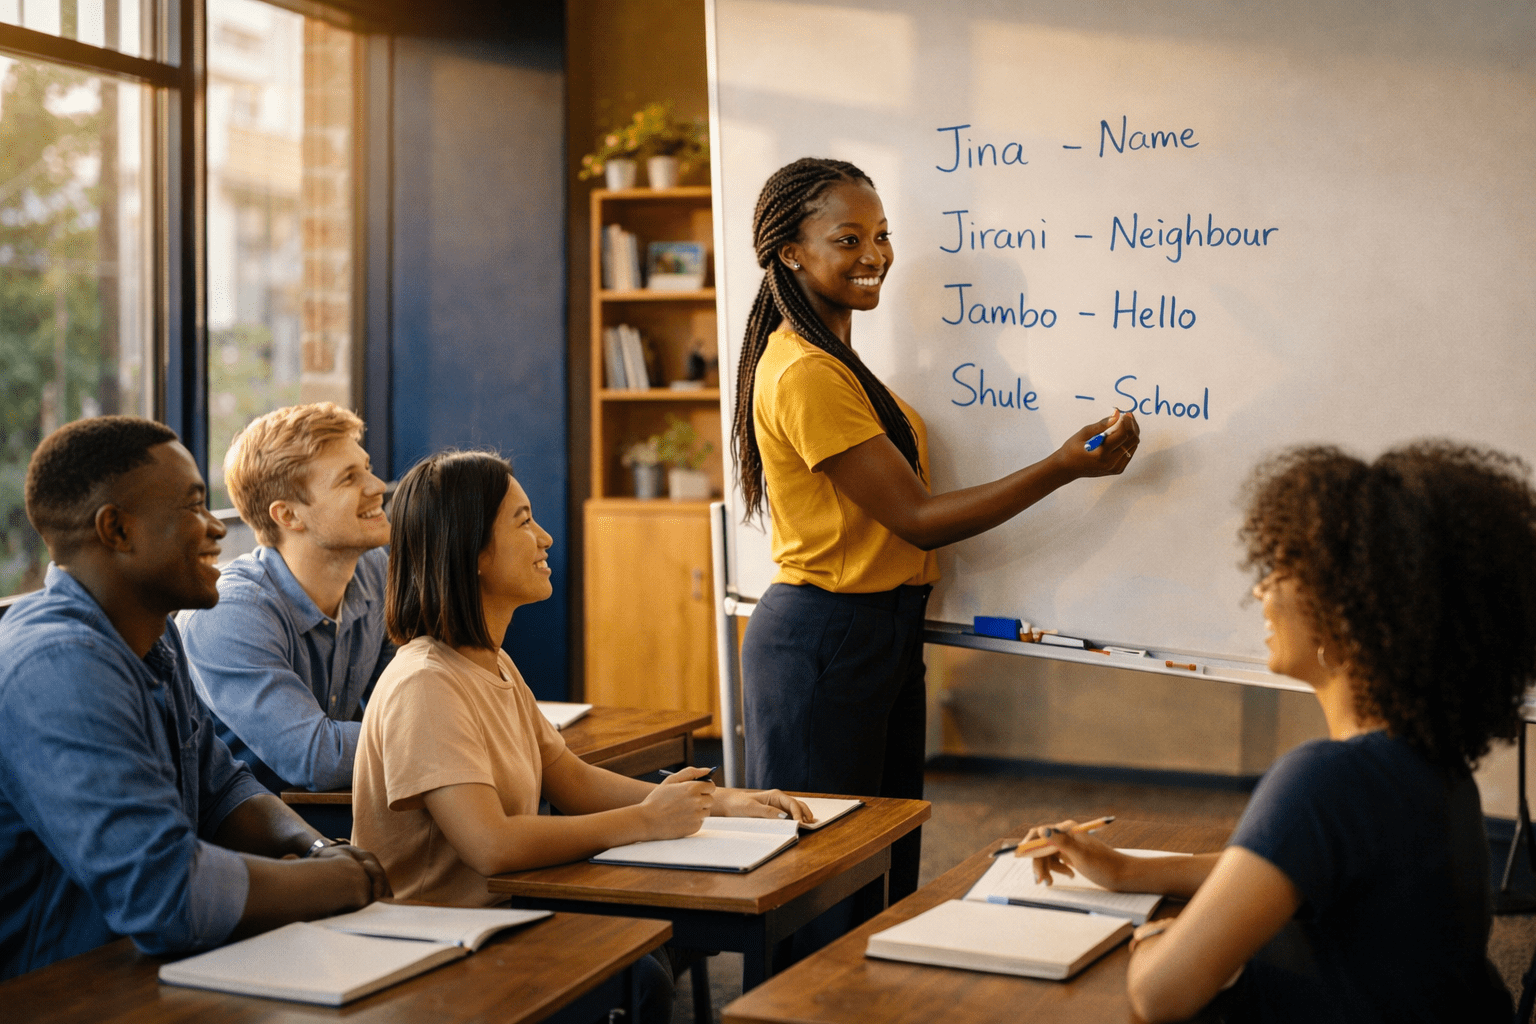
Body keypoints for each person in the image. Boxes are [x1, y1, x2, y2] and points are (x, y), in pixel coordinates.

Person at [731, 156, 1141, 905]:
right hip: (827, 640)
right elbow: (916, 519)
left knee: (881, 873)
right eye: (848, 239)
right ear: (791, 252)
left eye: (882, 236)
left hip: (873, 634)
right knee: (826, 884)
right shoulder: (806, 374)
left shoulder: (837, 363)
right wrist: (1060, 466)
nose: (875, 257)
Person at [1022, 442, 1532, 1022]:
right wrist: (1125, 871)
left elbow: (1158, 995)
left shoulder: (1327, 779)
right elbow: (1287, 862)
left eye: (1281, 571)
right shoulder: (1426, 763)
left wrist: (1156, 941)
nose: (1261, 592)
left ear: (1344, 615)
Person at [351, 449, 810, 1022]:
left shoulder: (491, 663)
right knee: (638, 967)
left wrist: (719, 803)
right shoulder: (425, 682)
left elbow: (570, 780)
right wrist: (647, 820)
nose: (544, 538)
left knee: (654, 945)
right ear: (470, 551)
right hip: (435, 945)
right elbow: (490, 846)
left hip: (501, 917)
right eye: (522, 522)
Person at [0, 416, 390, 980]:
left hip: (153, 970)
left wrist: (316, 849)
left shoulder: (157, 636)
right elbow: (165, 895)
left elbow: (221, 788)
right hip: (60, 989)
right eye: (192, 508)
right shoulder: (57, 665)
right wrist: (339, 880)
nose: (215, 529)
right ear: (117, 530)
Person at [180, 403, 393, 796]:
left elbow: (408, 701)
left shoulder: (374, 570)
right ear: (288, 516)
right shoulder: (228, 612)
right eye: (349, 478)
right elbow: (316, 758)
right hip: (249, 837)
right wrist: (450, 741)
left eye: (366, 467)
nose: (377, 486)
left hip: (333, 816)